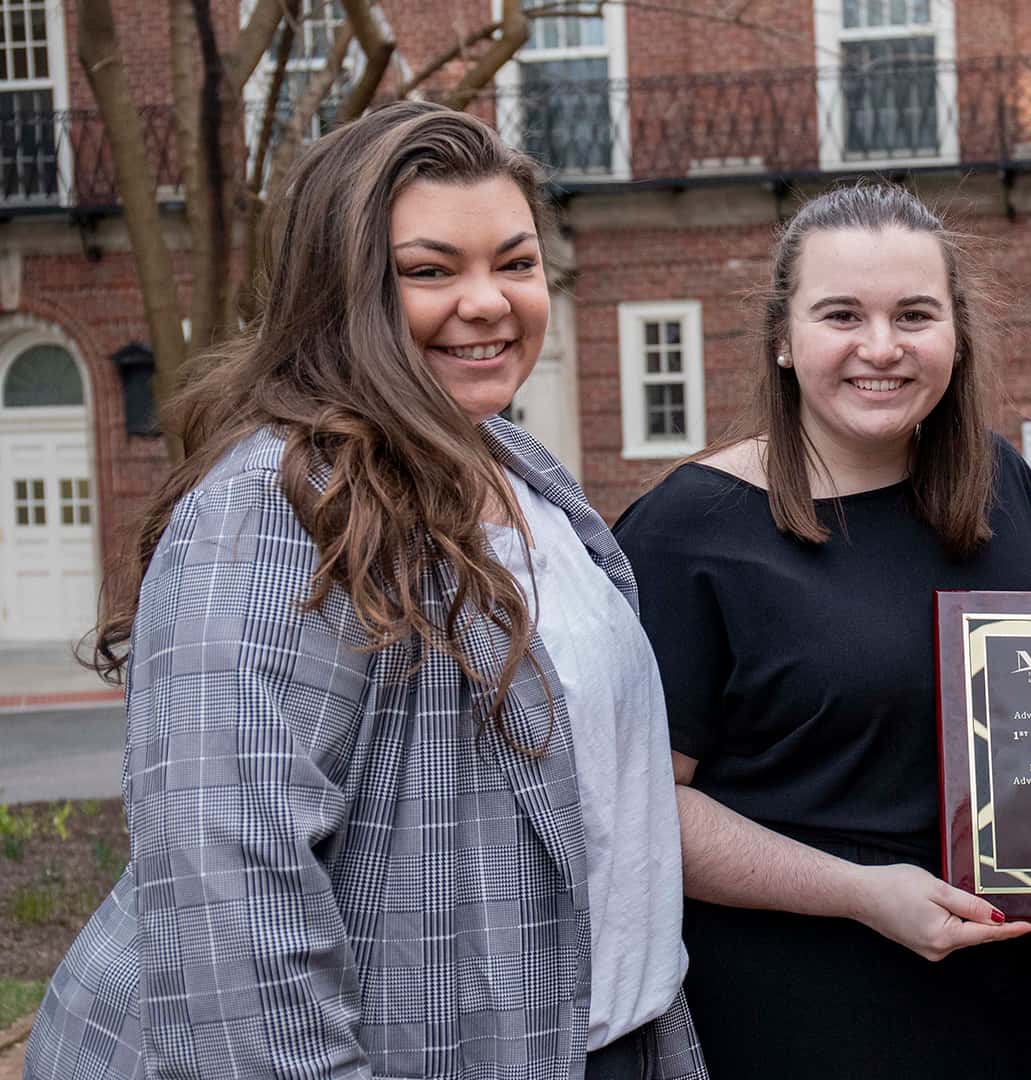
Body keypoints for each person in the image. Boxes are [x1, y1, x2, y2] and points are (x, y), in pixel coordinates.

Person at [24, 102, 702, 1080]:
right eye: (430, 270)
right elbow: (228, 908)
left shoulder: (520, 472)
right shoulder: (278, 505)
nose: (488, 301)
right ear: (344, 291)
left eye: (515, 263)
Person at [611, 183, 1031, 1078]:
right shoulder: (688, 530)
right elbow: (641, 810)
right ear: (783, 337)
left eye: (915, 314)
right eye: (842, 314)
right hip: (800, 1013)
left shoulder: (1000, 486)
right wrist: (858, 894)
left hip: (1007, 1007)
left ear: (956, 334)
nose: (881, 347)